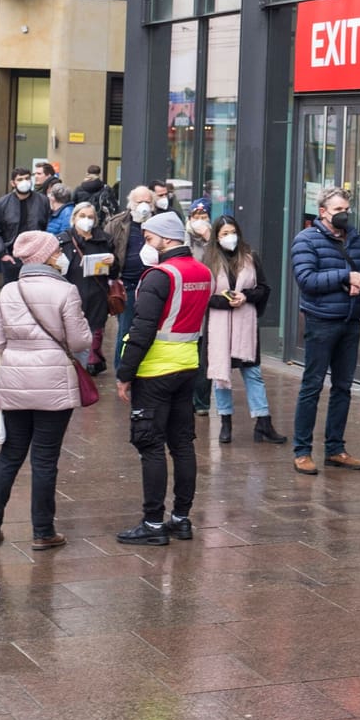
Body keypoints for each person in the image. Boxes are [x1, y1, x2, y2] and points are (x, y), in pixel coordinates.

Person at [0, 231, 92, 553]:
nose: (61, 254)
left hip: (16, 383)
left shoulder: (10, 290)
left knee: (10, 455)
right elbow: (81, 341)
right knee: (44, 459)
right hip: (54, 384)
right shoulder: (66, 291)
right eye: (57, 250)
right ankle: (43, 532)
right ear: (46, 256)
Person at [115, 212, 209, 545]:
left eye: (150, 238)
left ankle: (153, 524)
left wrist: (125, 374)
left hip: (155, 371)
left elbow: (141, 330)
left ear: (167, 238)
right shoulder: (202, 271)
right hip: (187, 366)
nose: (146, 244)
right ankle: (181, 520)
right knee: (182, 445)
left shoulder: (159, 276)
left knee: (151, 446)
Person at [288, 187, 360, 475]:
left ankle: (335, 448)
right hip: (321, 321)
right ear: (323, 212)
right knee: (312, 386)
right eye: (338, 210)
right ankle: (302, 451)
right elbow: (306, 279)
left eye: (346, 209)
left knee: (343, 387)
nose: (344, 214)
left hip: (350, 321)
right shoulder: (306, 239)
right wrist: (344, 276)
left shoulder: (355, 238)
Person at [203, 215, 283, 445]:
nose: (230, 237)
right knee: (220, 377)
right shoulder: (208, 261)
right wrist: (225, 301)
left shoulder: (250, 257)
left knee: (253, 373)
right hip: (218, 328)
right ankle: (225, 422)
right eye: (224, 234)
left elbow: (264, 288)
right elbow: (204, 296)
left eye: (233, 232)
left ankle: (263, 422)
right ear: (216, 238)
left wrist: (245, 296)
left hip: (245, 328)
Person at [57, 201, 115, 375]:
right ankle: (70, 369)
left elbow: (113, 273)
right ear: (74, 218)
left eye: (90, 217)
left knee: (90, 335)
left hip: (96, 298)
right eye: (82, 216)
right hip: (71, 297)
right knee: (69, 337)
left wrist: (113, 263)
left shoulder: (104, 239)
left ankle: (86, 368)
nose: (86, 220)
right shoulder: (63, 240)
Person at [105, 186, 155, 349]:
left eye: (148, 201)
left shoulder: (159, 222)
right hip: (127, 286)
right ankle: (122, 371)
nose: (144, 205)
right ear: (131, 203)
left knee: (150, 331)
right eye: (140, 201)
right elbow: (106, 247)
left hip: (153, 286)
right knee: (125, 332)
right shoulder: (117, 223)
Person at [0, 167, 50, 278]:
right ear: (13, 183)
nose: (24, 182)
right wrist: (3, 254)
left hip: (37, 256)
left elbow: (48, 227)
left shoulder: (42, 201)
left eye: (27, 178)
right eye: (20, 179)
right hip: (11, 256)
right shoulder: (3, 203)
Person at [185, 199, 214, 415]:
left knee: (205, 356)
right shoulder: (183, 240)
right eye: (196, 217)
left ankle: (202, 401)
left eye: (204, 218)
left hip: (209, 306)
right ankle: (186, 399)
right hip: (187, 305)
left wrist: (209, 239)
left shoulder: (214, 240)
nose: (200, 222)